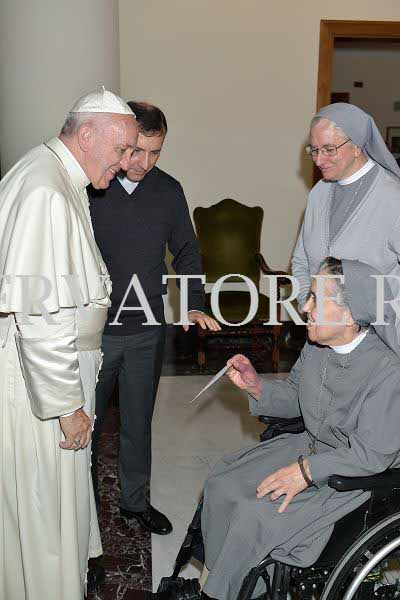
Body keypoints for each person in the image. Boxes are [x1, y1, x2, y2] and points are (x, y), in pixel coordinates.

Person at [187, 256, 400, 600]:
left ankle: (225, 590)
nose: (305, 307)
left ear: (348, 315)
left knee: (254, 514)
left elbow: (369, 455)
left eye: (316, 298)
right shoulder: (317, 346)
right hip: (307, 449)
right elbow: (295, 397)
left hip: (349, 476)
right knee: (222, 482)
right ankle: (219, 582)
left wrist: (305, 472)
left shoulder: (388, 372)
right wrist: (257, 386)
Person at [0, 88, 138, 600]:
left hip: (52, 369)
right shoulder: (46, 192)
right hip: (41, 385)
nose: (126, 164)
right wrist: (66, 406)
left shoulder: (55, 176)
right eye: (121, 150)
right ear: (86, 135)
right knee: (43, 511)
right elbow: (41, 316)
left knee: (53, 505)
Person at [89, 101, 220, 535]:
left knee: (138, 422)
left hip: (147, 328)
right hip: (95, 330)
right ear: (122, 142)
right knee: (86, 427)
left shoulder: (168, 191)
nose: (144, 163)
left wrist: (195, 302)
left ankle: (134, 502)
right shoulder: (92, 187)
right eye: (137, 151)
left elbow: (187, 251)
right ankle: (83, 516)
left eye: (156, 152)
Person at [292, 103, 400, 317]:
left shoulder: (392, 198)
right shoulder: (319, 192)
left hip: (377, 332)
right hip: (322, 329)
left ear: (357, 146)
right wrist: (311, 307)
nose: (319, 160)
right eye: (314, 150)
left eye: (329, 149)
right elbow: (301, 261)